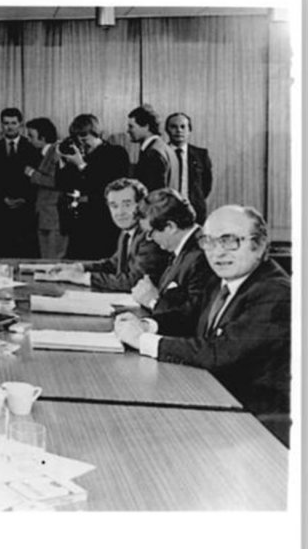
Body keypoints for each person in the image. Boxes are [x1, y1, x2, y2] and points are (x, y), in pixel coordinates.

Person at [114, 205, 291, 446]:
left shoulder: (276, 292)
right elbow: (189, 318)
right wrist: (147, 325)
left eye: (230, 242)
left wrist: (141, 340)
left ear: (259, 245)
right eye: (209, 241)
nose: (218, 253)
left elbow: (220, 353)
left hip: (255, 422)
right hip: (213, 397)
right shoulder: (225, 280)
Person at [43, 178, 168, 291]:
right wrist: (77, 268)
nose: (120, 212)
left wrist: (82, 278)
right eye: (114, 206)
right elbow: (113, 264)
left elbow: (134, 282)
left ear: (141, 206)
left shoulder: (150, 235)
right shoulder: (127, 232)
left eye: (127, 204)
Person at [130, 188, 214, 320]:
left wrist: (153, 301)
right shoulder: (184, 248)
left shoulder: (201, 255)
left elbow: (195, 316)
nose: (149, 239)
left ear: (170, 227)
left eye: (150, 233)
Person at [57, 113, 130, 260]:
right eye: (77, 140)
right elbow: (62, 185)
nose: (82, 144)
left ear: (98, 134)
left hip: (103, 222)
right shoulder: (79, 155)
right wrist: (62, 163)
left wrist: (82, 165)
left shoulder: (115, 153)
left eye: (85, 139)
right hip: (79, 224)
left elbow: (110, 186)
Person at [0, 107, 40, 257]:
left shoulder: (33, 149)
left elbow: (37, 180)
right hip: (0, 211)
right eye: (6, 123)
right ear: (1, 125)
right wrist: (2, 199)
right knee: (1, 252)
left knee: (24, 253)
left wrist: (24, 199)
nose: (9, 127)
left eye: (13, 123)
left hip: (26, 211)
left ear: (20, 124)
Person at [24, 117, 67, 259]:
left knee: (53, 258)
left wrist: (33, 174)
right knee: (46, 258)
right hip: (44, 214)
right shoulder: (43, 153)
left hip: (54, 214)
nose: (28, 140)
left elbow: (58, 181)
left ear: (43, 137)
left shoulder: (57, 151)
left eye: (31, 136)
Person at [165, 112, 212, 223]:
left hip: (195, 211)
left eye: (183, 127)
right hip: (167, 211)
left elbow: (206, 185)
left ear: (189, 130)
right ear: (167, 130)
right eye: (173, 127)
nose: (178, 130)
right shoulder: (161, 153)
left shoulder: (201, 154)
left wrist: (195, 199)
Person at [127, 104, 172, 192]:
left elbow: (154, 193)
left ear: (146, 126)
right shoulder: (163, 147)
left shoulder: (153, 153)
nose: (128, 131)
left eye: (131, 126)